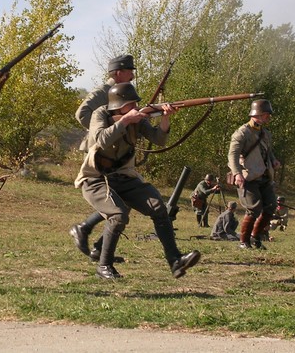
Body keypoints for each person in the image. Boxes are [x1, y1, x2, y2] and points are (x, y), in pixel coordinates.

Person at [74, 83, 200, 279]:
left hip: (124, 176)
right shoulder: (101, 114)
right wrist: (125, 121)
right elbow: (100, 140)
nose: (135, 106)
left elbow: (159, 140)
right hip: (96, 177)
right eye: (131, 103)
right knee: (118, 214)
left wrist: (165, 118)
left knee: (159, 208)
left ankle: (175, 261)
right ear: (119, 104)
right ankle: (104, 266)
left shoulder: (137, 119)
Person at [69, 54, 136, 261]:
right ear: (118, 73)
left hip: (116, 153)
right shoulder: (103, 91)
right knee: (120, 201)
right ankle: (87, 231)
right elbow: (82, 113)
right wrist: (102, 133)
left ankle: (97, 244)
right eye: (128, 71)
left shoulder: (124, 91)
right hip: (102, 154)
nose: (132, 75)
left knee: (125, 199)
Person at [227, 99, 282, 250]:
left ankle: (255, 238)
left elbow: (268, 152)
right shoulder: (242, 133)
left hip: (265, 177)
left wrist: (274, 161)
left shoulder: (265, 133)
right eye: (267, 114)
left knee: (270, 207)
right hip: (248, 177)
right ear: (259, 114)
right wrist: (237, 174)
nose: (269, 117)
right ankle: (244, 241)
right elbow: (232, 156)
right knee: (253, 208)